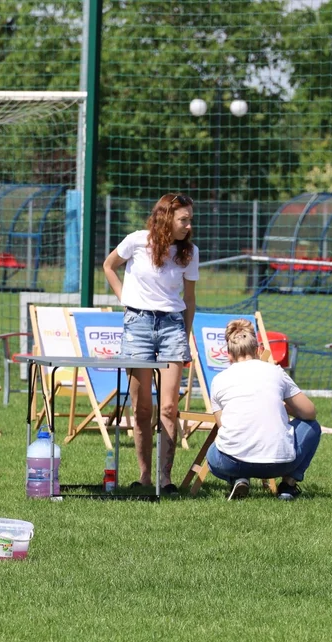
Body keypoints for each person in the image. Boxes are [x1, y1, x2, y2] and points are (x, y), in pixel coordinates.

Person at [102, 192, 198, 495]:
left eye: (190, 220)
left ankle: (164, 478)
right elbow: (108, 266)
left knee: (169, 407)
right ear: (166, 217)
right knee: (142, 408)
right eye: (184, 219)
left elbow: (190, 299)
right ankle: (144, 476)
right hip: (138, 325)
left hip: (172, 326)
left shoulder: (189, 251)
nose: (189, 226)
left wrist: (186, 334)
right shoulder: (137, 241)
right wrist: (125, 300)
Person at [206, 318, 321, 501]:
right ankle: (288, 486)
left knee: (212, 454)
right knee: (313, 427)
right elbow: (310, 413)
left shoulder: (218, 380)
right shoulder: (276, 373)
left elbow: (222, 426)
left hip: (232, 462)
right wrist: (286, 408)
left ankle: (239, 478)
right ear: (259, 350)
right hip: (280, 464)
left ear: (228, 355)